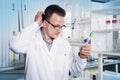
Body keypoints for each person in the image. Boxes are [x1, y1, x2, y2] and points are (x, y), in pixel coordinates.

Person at [9, 4, 91, 80]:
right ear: (45, 23)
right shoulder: (31, 39)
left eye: (62, 27)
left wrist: (81, 57)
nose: (59, 30)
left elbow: (74, 69)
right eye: (56, 26)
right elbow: (14, 46)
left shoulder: (64, 43)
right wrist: (36, 23)